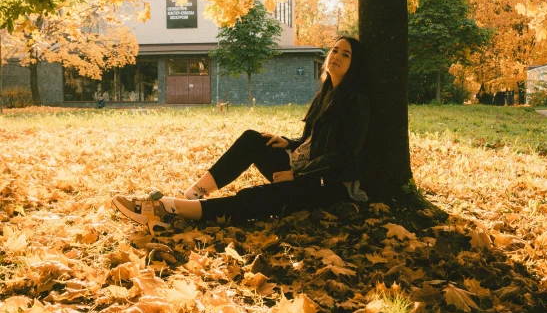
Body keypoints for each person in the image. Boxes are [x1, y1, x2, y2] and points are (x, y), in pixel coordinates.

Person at [112, 37, 370, 232]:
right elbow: (314, 142)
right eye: (335, 50)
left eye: (345, 54)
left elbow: (344, 156)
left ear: (354, 65)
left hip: (326, 185)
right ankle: (192, 194)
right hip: (303, 170)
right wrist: (289, 143)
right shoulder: (326, 93)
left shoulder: (355, 99)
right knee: (252, 139)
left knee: (255, 197)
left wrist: (298, 174)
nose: (336, 56)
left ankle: (169, 209)